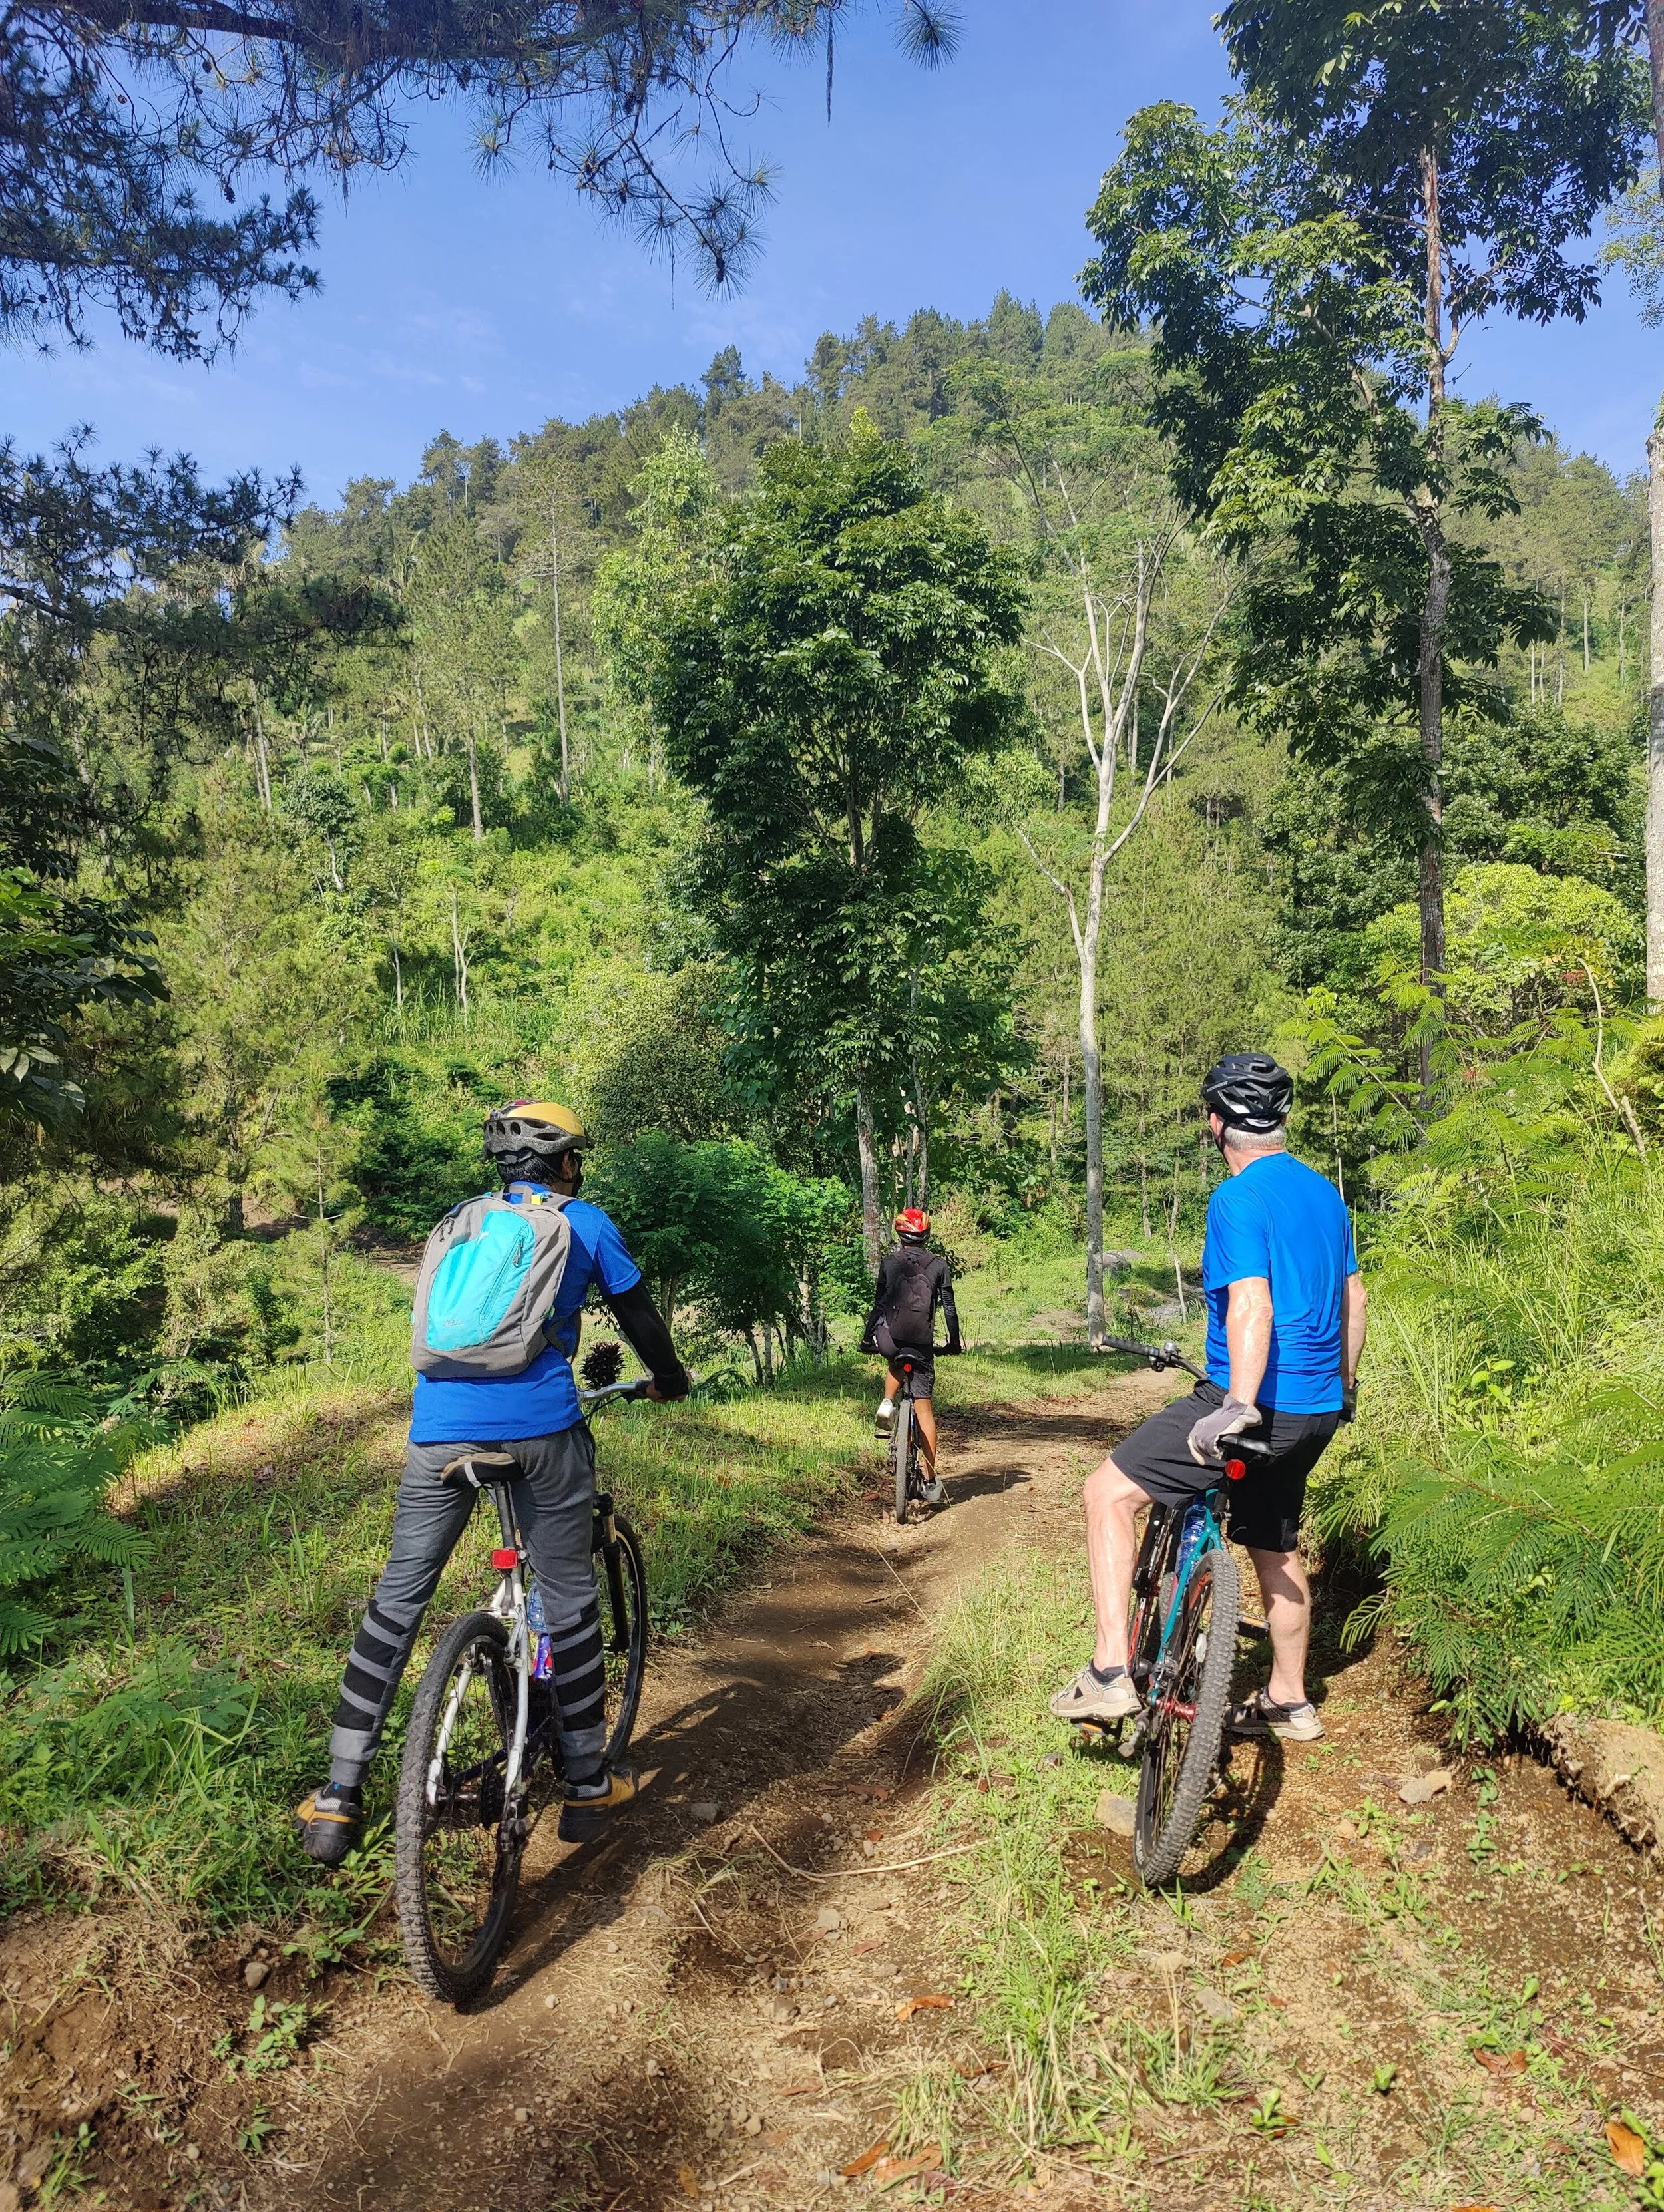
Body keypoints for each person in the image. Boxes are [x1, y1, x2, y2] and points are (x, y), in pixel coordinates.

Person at [294, 1100, 688, 1865]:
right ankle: (584, 1784)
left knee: (398, 1597)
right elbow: (638, 1315)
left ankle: (339, 1796)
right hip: (540, 1427)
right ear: (565, 1160)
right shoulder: (583, 1223)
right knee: (569, 1597)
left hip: (437, 1432)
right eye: (578, 1156)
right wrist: (668, 1379)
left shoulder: (457, 1220)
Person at [1049, 1053, 1366, 1743]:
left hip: (1252, 1403)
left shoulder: (1236, 1198)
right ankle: (1288, 1700)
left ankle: (1108, 1673)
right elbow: (1354, 1298)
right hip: (1313, 1413)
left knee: (1107, 1493)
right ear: (1281, 1120)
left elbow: (1251, 1302)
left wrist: (1238, 1405)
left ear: (1216, 1123)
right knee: (1275, 1549)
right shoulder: (1324, 1196)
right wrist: (1340, 1391)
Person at [859, 1208, 962, 1479]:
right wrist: (953, 1343)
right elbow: (949, 1309)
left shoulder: (890, 1263)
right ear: (926, 1235)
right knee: (924, 1408)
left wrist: (866, 1338)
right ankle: (930, 1479)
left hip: (891, 1341)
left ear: (900, 1234)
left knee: (894, 1359)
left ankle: (887, 1401)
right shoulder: (939, 1265)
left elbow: (880, 1304)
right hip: (922, 1345)